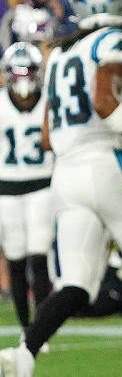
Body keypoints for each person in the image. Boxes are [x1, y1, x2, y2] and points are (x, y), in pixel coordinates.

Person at [0, 0, 122, 376]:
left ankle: (23, 353)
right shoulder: (115, 41)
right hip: (105, 162)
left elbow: (49, 136)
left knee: (75, 284)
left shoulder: (60, 54)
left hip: (64, 175)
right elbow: (104, 102)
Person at [0, 43, 53, 330]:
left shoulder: (50, 101)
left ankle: (41, 328)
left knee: (39, 256)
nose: (22, 77)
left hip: (41, 187)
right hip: (6, 190)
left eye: (27, 70)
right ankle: (25, 327)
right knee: (16, 260)